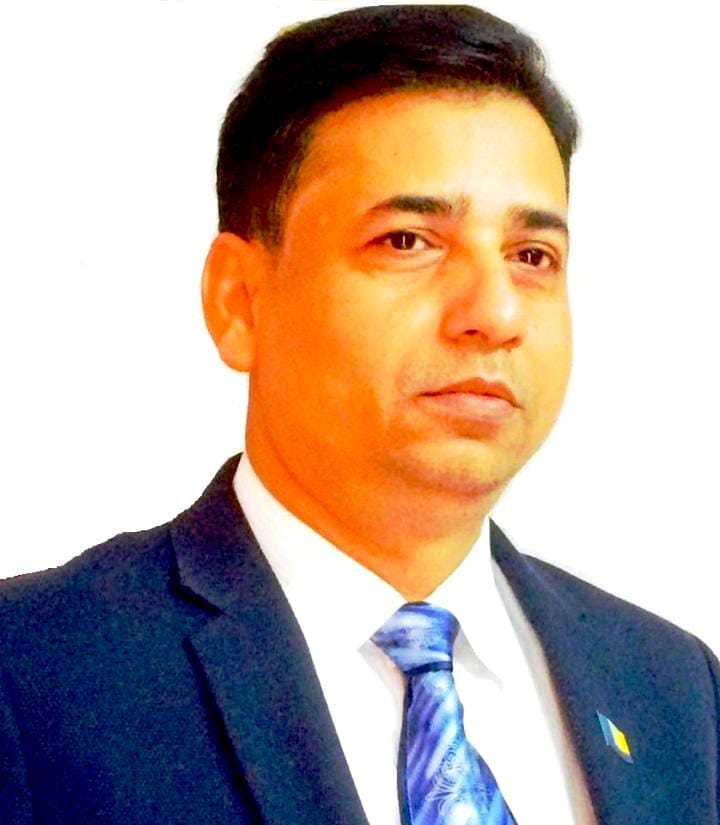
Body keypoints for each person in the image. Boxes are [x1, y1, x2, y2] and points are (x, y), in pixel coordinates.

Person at [0, 5, 717, 824]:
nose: (495, 311)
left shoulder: (673, 689)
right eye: (408, 240)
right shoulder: (34, 677)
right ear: (239, 301)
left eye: (531, 256)